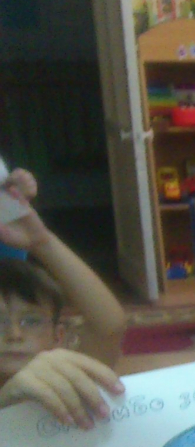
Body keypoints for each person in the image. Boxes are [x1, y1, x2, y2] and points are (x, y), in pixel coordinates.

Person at [0, 166, 127, 392]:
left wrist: (42, 242)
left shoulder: (68, 373)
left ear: (58, 337)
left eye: (31, 321)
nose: (14, 335)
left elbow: (110, 326)